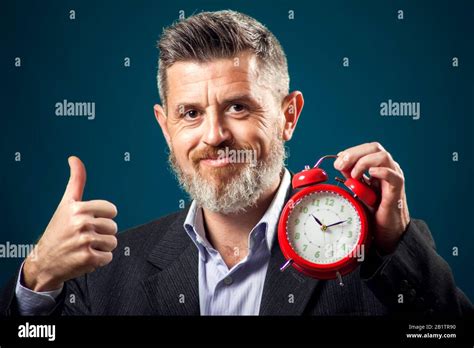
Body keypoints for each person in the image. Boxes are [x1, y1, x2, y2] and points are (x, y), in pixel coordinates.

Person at [1, 10, 472, 316]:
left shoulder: (376, 254)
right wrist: (37, 277)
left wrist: (394, 250)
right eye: (191, 113)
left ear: (288, 116)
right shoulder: (104, 274)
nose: (214, 135)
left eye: (239, 107)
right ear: (165, 127)